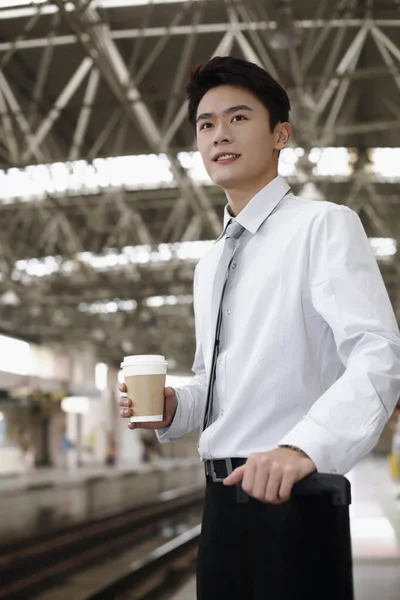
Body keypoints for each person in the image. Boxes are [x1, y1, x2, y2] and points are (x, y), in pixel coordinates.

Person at [119, 56, 400, 599]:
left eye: (238, 117)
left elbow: (379, 356)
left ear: (280, 134)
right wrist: (179, 404)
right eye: (205, 124)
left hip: (294, 499)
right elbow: (216, 383)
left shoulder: (323, 227)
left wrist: (304, 448)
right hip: (220, 506)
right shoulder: (210, 264)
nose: (219, 134)